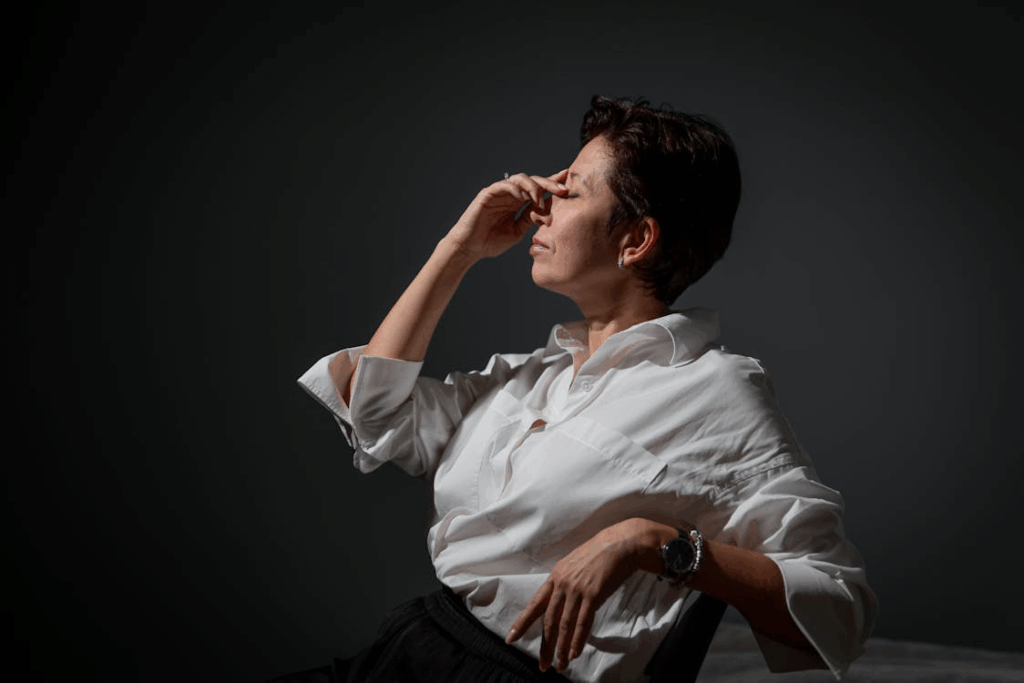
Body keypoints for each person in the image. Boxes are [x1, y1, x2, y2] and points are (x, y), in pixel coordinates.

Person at [287, 95, 877, 682]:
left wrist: (653, 542)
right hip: (407, 648)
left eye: (569, 192)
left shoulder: (716, 391)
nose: (540, 207)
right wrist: (458, 250)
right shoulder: (532, 376)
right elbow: (375, 411)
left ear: (636, 240)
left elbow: (837, 603)